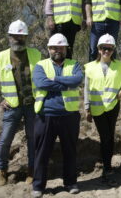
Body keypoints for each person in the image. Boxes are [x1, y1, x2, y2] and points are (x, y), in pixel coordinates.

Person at [0, 20, 42, 186]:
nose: (18, 39)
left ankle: (32, 171)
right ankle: (1, 171)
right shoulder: (1, 57)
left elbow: (46, 76)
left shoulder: (36, 54)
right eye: (15, 36)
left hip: (32, 105)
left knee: (33, 139)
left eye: (21, 36)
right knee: (5, 140)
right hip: (11, 107)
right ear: (10, 37)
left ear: (26, 37)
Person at [31, 34, 83, 198]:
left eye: (61, 47)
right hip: (46, 115)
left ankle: (71, 183)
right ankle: (38, 186)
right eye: (54, 48)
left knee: (70, 151)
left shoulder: (74, 64)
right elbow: (41, 83)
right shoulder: (40, 66)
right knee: (42, 153)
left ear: (66, 49)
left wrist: (54, 79)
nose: (57, 50)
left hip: (69, 115)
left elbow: (77, 80)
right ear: (49, 49)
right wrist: (65, 85)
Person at [83, 34, 121, 185]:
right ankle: (107, 168)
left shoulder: (120, 66)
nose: (106, 51)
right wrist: (87, 108)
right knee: (105, 137)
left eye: (109, 48)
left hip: (113, 106)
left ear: (113, 50)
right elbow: (87, 88)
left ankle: (107, 167)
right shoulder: (89, 67)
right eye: (103, 48)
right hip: (97, 108)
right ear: (98, 49)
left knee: (109, 136)